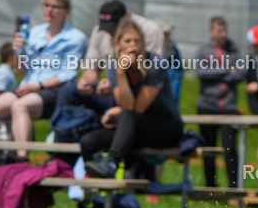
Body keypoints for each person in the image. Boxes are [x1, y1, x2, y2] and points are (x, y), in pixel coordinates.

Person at [65, 19, 183, 179]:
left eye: (137, 41)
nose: (133, 45)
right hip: (134, 128)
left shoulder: (156, 64)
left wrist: (116, 110)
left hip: (165, 128)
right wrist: (121, 72)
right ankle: (92, 190)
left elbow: (136, 109)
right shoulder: (114, 67)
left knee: (127, 116)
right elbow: (127, 106)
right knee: (89, 141)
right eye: (128, 41)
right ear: (118, 44)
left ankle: (112, 162)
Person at [0, 0, 87, 159]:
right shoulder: (34, 33)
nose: (49, 10)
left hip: (56, 91)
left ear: (67, 10)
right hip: (29, 86)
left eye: (55, 7)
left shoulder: (76, 38)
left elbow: (67, 75)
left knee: (20, 106)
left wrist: (37, 86)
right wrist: (18, 51)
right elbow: (21, 71)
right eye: (46, 5)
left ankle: (22, 159)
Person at [55, 0, 165, 120]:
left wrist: (115, 83)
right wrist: (86, 84)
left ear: (127, 17)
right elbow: (92, 68)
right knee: (68, 92)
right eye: (107, 28)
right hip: (110, 89)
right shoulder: (100, 31)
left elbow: (151, 73)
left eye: (114, 27)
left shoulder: (150, 31)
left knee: (127, 115)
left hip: (137, 94)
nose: (111, 33)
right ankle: (61, 132)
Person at [195, 16, 244, 188]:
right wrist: (225, 71)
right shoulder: (203, 51)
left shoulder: (233, 51)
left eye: (224, 31)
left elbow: (240, 74)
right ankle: (210, 186)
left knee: (230, 148)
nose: (222, 34)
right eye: (218, 31)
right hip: (207, 107)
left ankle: (234, 187)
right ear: (211, 31)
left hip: (228, 107)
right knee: (208, 149)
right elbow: (201, 73)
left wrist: (218, 75)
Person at [155, 20, 184, 107]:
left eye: (168, 34)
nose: (168, 37)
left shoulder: (173, 51)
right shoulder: (148, 54)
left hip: (171, 101)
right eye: (165, 34)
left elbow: (177, 76)